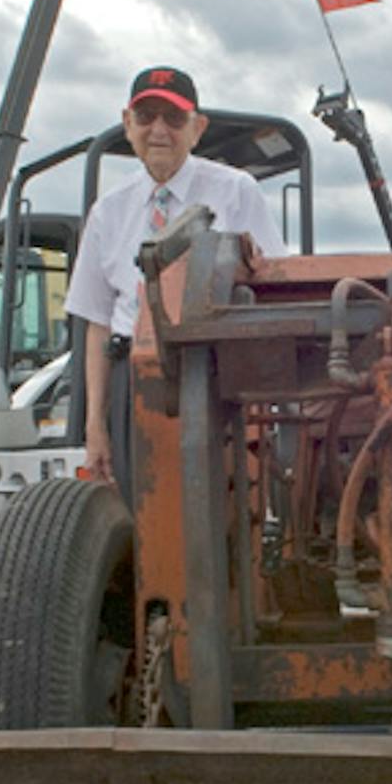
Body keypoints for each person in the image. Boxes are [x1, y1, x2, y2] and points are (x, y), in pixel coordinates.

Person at [68, 66, 286, 492]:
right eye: (146, 117)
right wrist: (96, 426)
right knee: (141, 506)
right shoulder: (107, 213)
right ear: (127, 124)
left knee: (220, 500)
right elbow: (95, 323)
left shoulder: (235, 192)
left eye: (173, 119)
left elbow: (273, 286)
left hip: (215, 375)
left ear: (197, 128)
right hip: (134, 378)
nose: (159, 131)